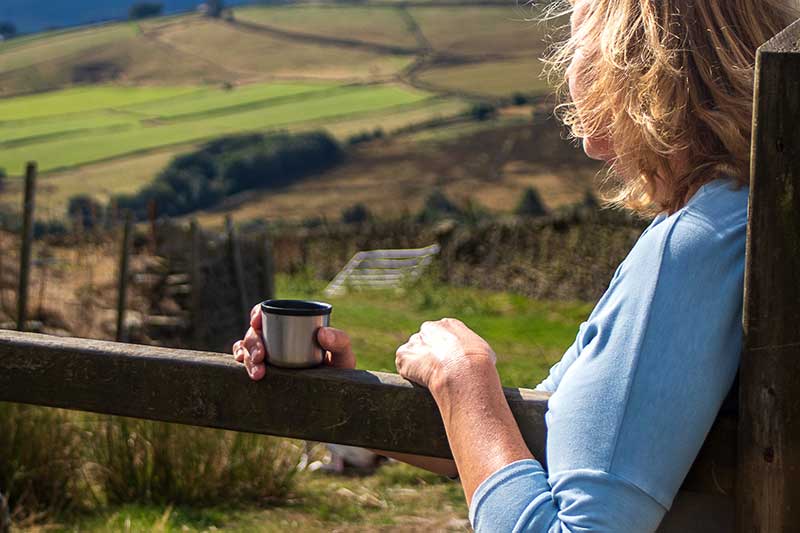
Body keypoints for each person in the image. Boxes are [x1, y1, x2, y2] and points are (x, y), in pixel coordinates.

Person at [232, 0, 799, 530]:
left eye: (578, 44)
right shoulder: (753, 218)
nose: (568, 76)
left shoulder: (695, 244)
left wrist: (463, 380)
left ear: (633, 64)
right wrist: (347, 389)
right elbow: (525, 437)